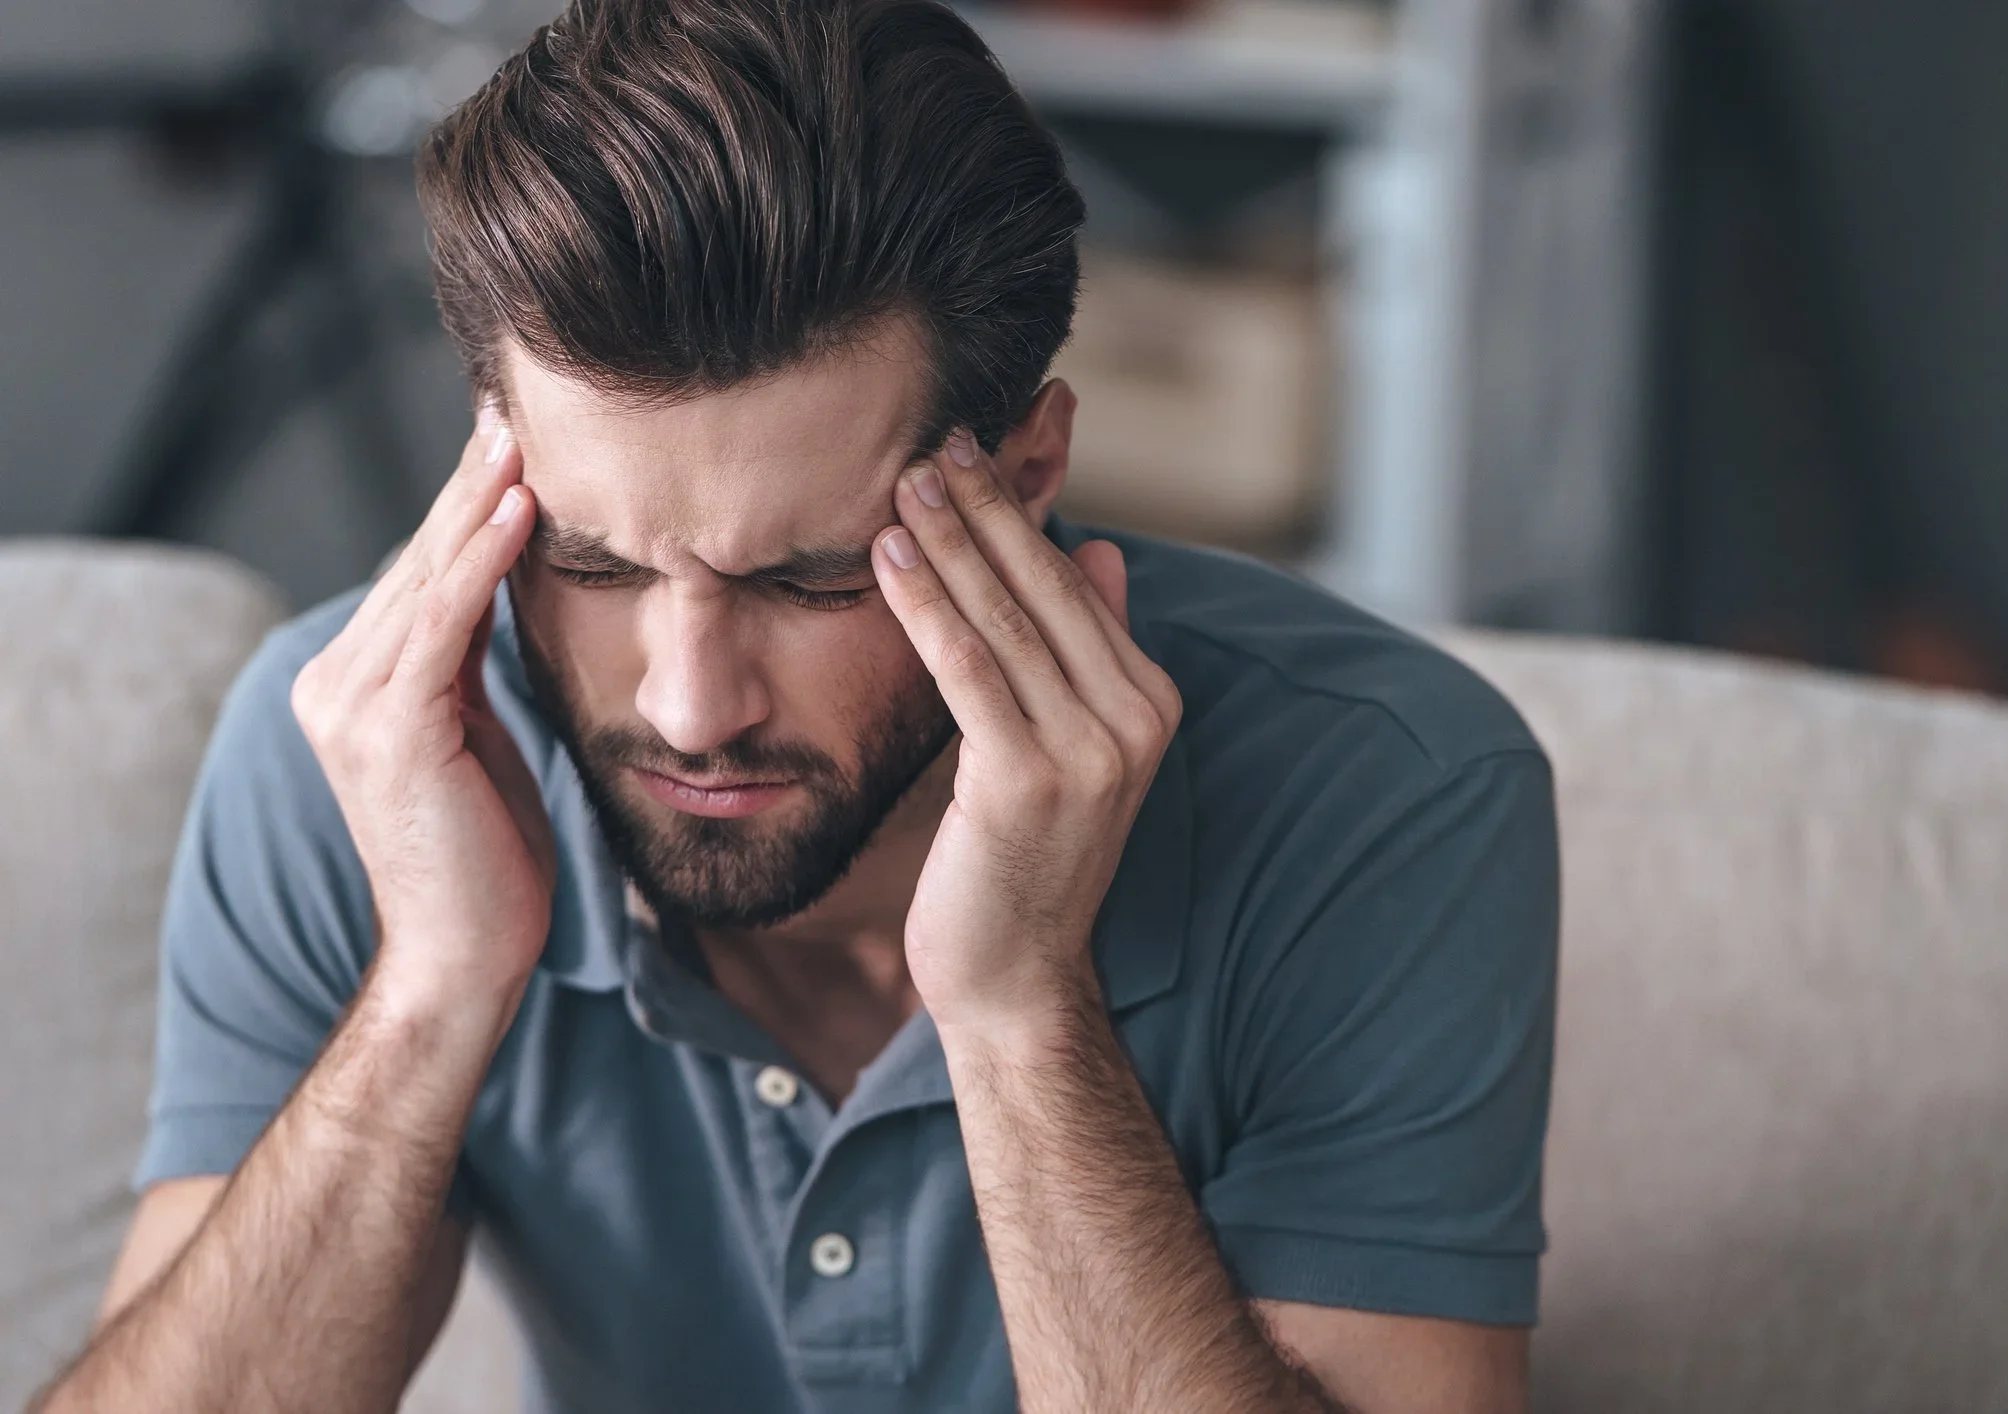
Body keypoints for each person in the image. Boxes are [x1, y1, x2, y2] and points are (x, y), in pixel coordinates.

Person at [33, 0, 1558, 1409]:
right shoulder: (365, 757)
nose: (690, 706)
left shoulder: (1389, 792)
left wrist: (1022, 1010)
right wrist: (430, 989)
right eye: (592, 562)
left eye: (812, 581)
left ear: (1024, 478)